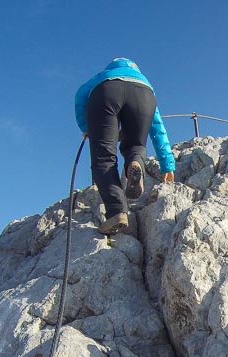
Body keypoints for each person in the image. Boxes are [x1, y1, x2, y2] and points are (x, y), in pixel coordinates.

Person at [74, 58, 176, 234]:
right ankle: (135, 162)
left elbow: (81, 95)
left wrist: (86, 128)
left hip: (106, 92)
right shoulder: (143, 79)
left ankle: (116, 212)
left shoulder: (104, 75)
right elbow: (157, 128)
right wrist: (167, 164)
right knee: (136, 145)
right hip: (144, 96)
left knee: (104, 158)